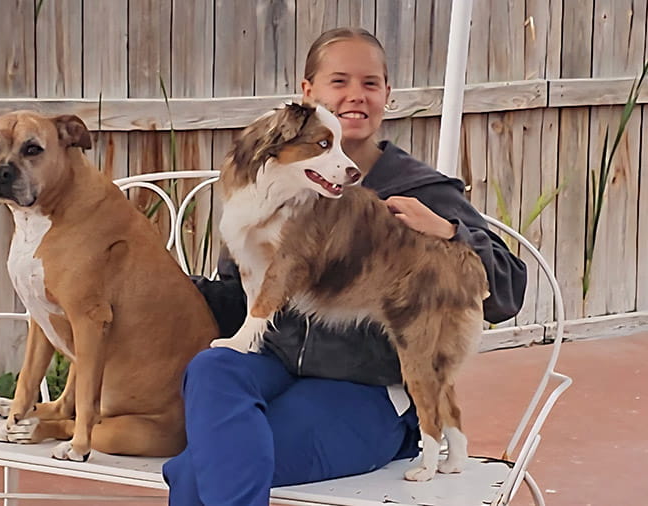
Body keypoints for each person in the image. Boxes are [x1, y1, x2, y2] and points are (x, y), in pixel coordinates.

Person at [161, 27, 528, 505]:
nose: (355, 96)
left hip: (363, 391)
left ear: (387, 96)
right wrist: (159, 287)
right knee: (212, 368)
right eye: (339, 82)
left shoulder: (418, 188)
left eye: (370, 83)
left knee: (197, 471)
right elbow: (239, 298)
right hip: (275, 366)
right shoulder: (270, 183)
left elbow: (505, 293)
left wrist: (450, 232)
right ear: (308, 93)